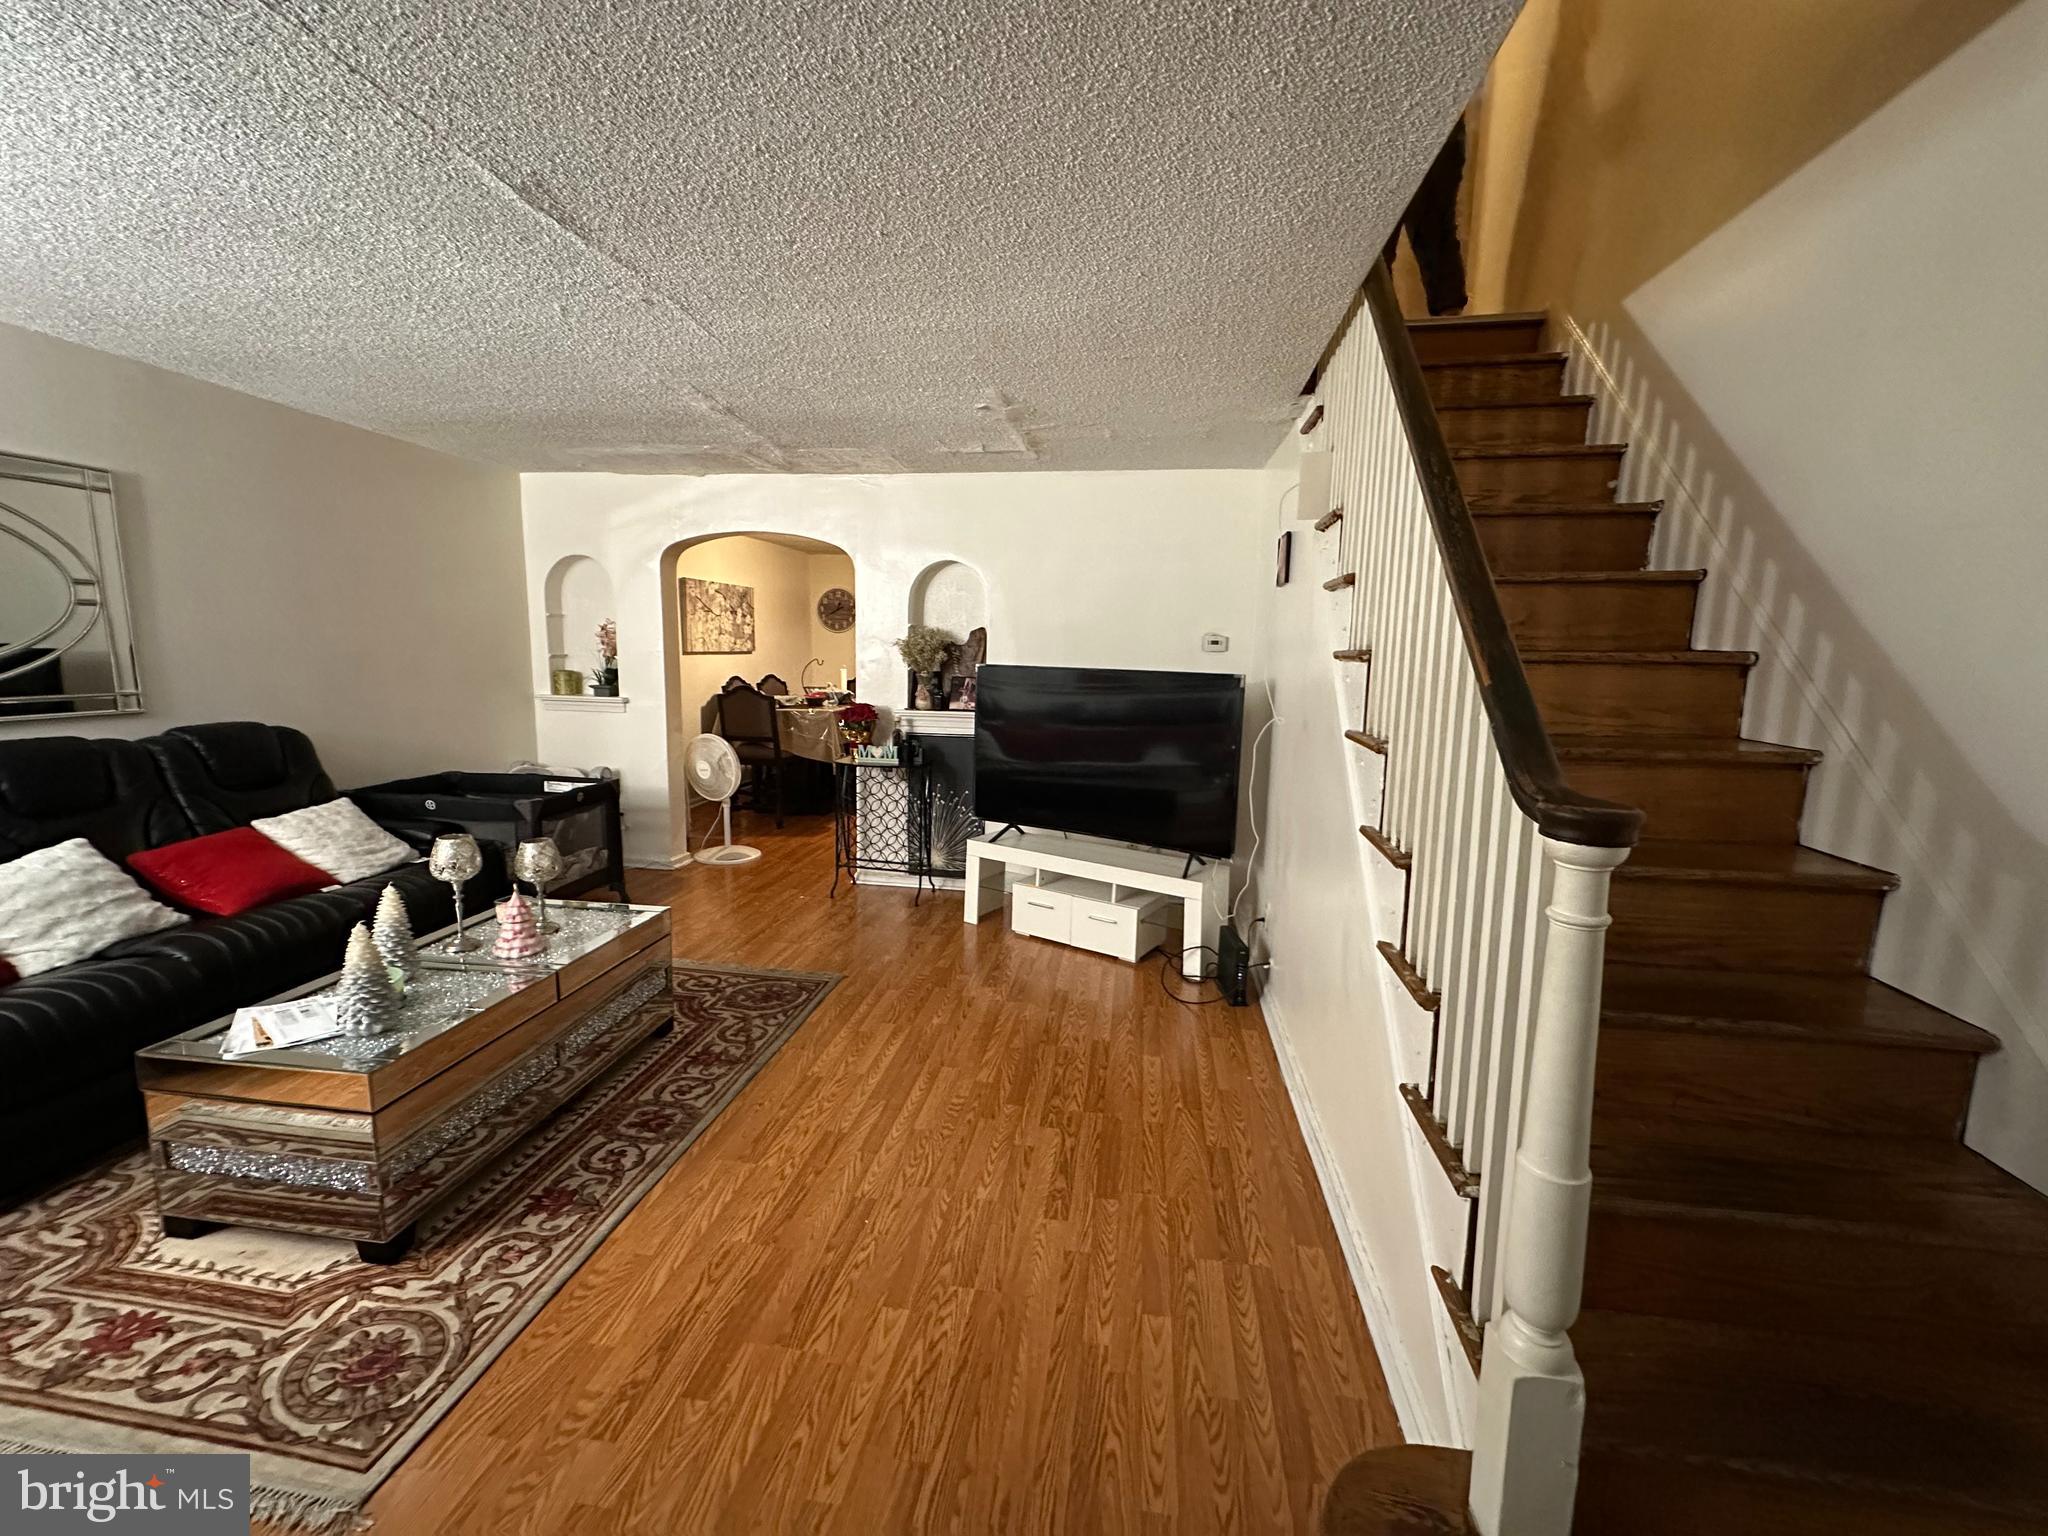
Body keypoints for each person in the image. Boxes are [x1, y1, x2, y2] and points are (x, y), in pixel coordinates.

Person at [1384, 118, 1469, 316]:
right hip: (1437, 124)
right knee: (1436, 234)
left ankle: (1449, 325)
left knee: (1374, 254)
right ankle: (1450, 325)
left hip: (1430, 125)